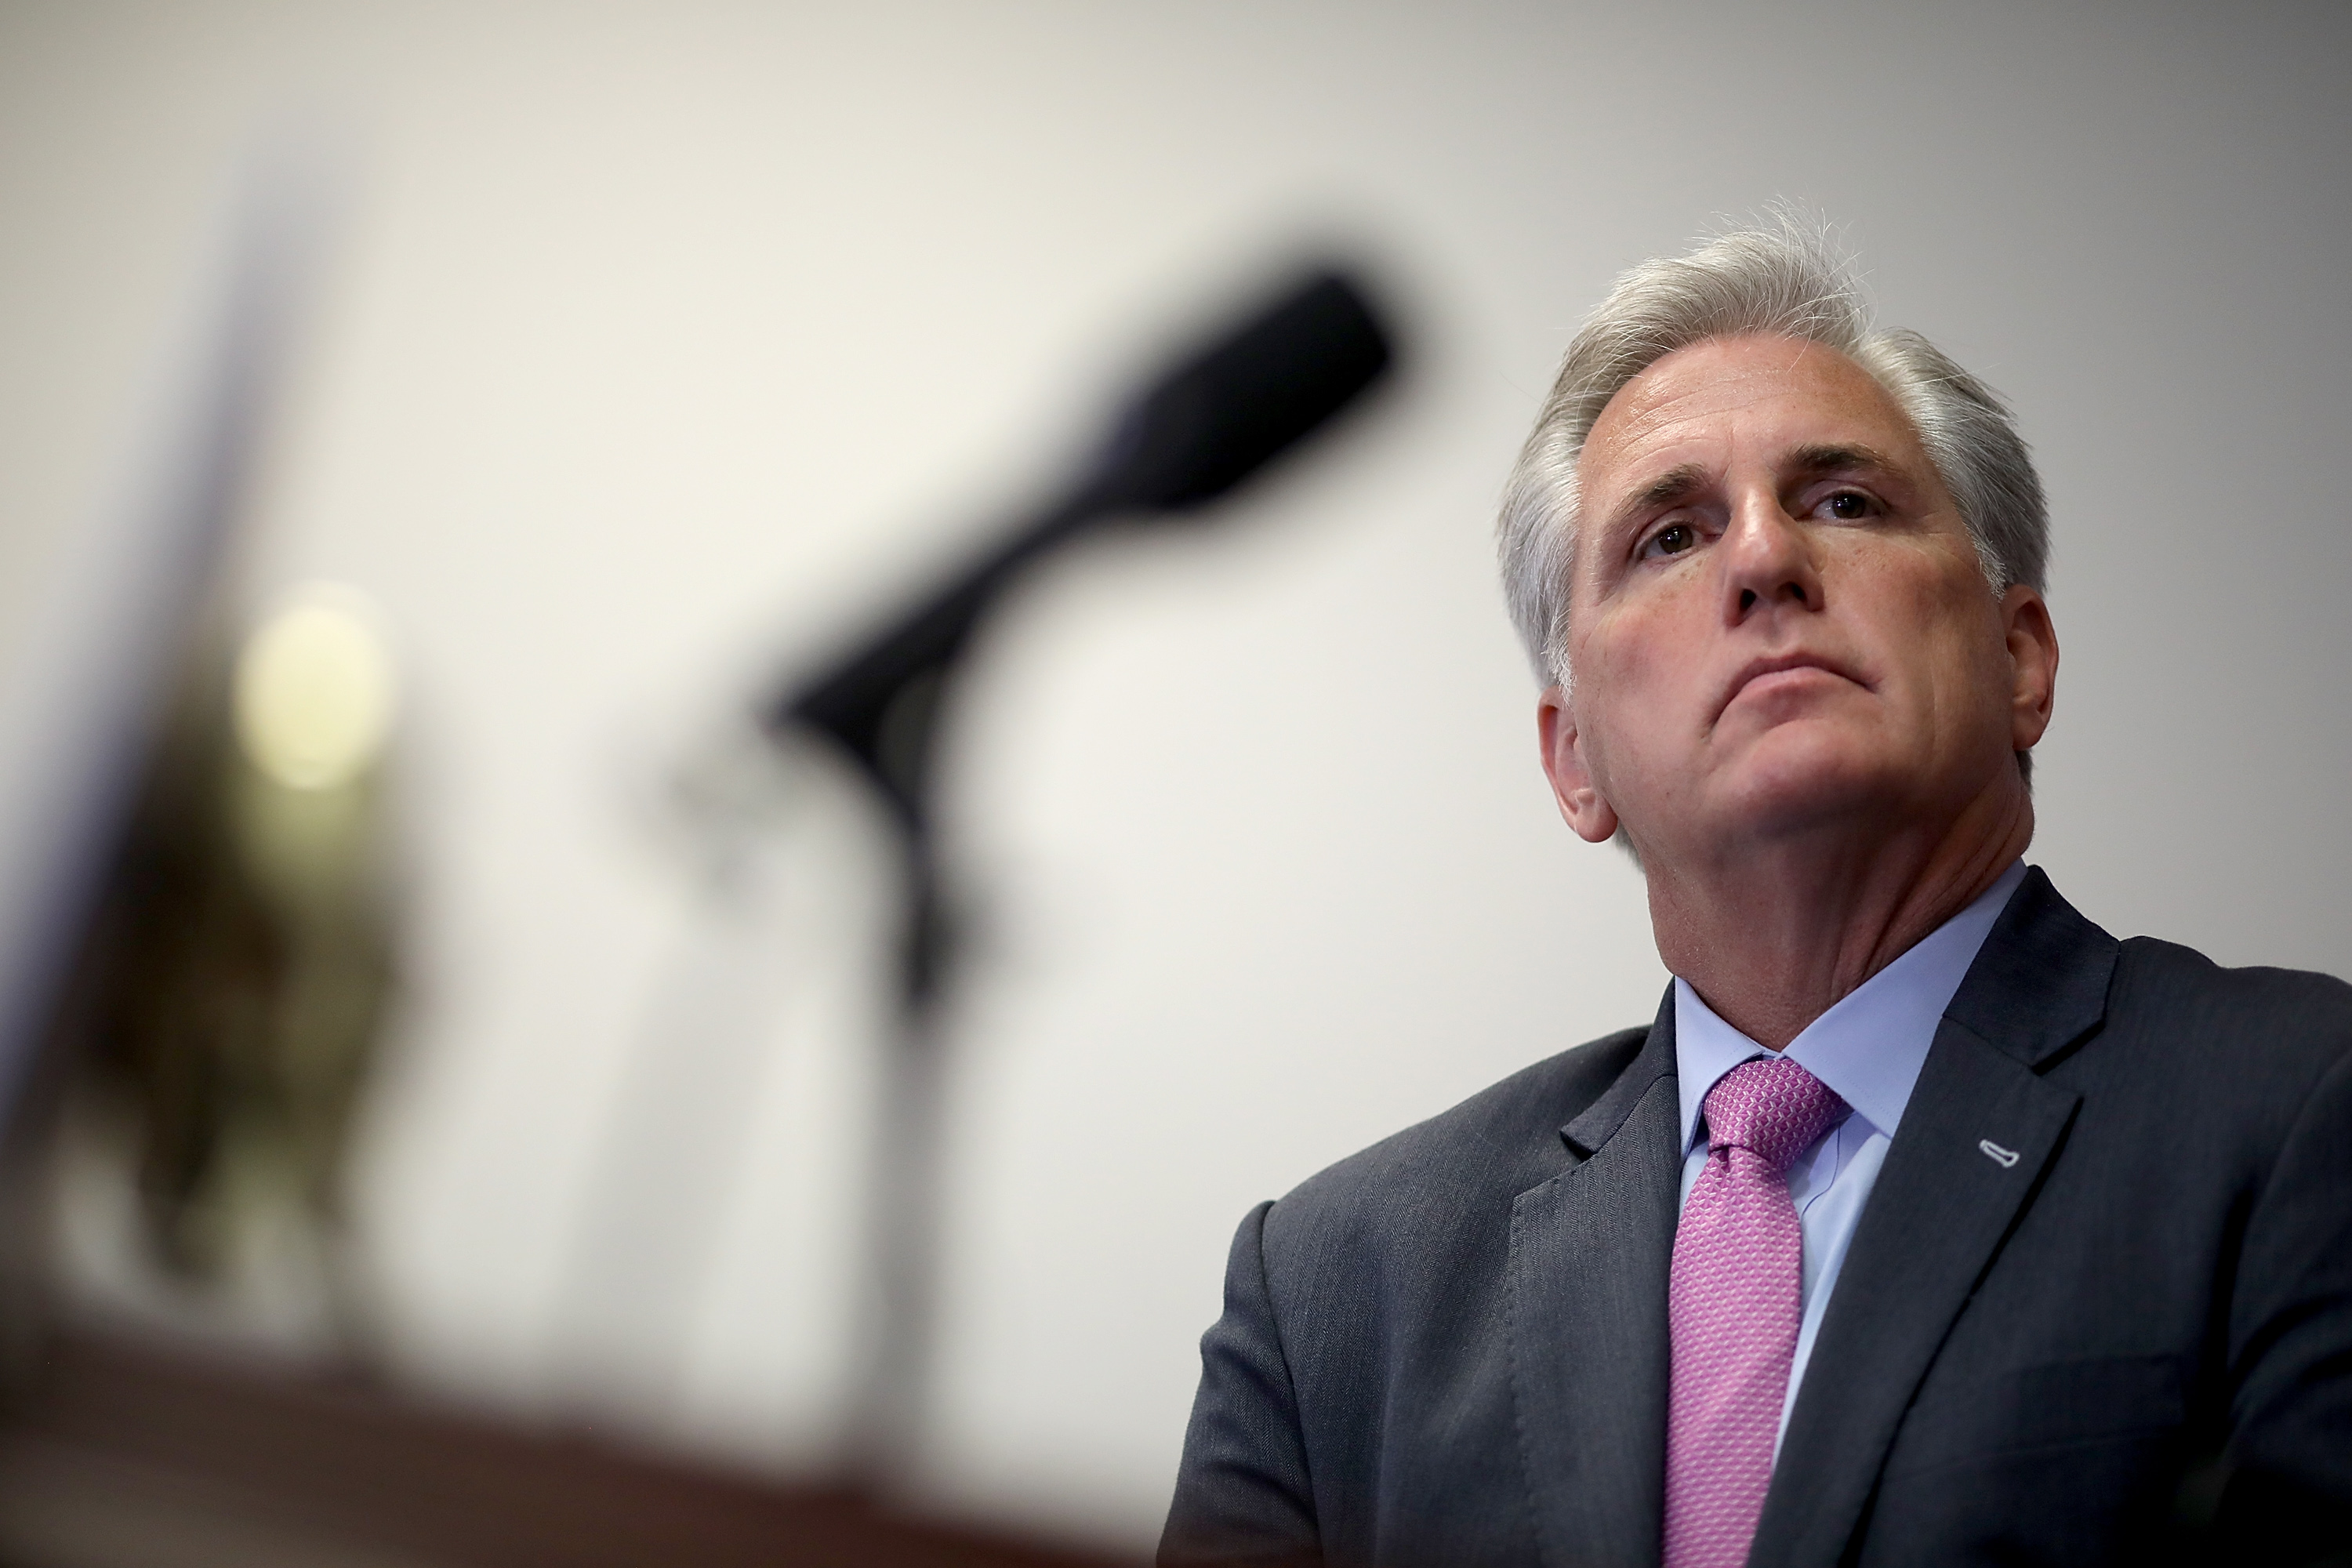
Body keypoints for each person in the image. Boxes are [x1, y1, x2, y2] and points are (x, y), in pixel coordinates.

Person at [1158, 218, 2352, 1568]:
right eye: (1670, 536)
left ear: (2020, 657)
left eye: (1844, 503)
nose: (1762, 560)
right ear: (1575, 759)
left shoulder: (2299, 1108)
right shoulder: (1332, 1293)